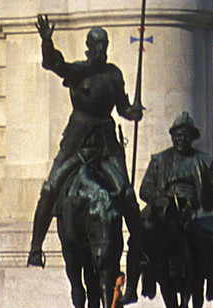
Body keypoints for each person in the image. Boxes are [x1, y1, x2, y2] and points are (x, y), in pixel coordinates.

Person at [26, 14, 142, 266]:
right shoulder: (79, 71)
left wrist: (133, 111)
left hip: (107, 145)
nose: (101, 50)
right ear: (89, 47)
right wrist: (47, 44)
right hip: (77, 140)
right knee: (50, 188)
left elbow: (122, 108)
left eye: (104, 45)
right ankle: (36, 248)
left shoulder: (114, 74)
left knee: (126, 192)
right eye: (97, 45)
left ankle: (140, 249)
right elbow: (55, 64)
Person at [139, 111, 213, 308]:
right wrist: (160, 198)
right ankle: (143, 280)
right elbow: (145, 189)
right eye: (178, 135)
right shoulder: (159, 160)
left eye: (186, 135)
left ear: (192, 138)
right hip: (165, 210)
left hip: (196, 211)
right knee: (140, 233)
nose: (182, 139)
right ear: (172, 137)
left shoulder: (204, 161)